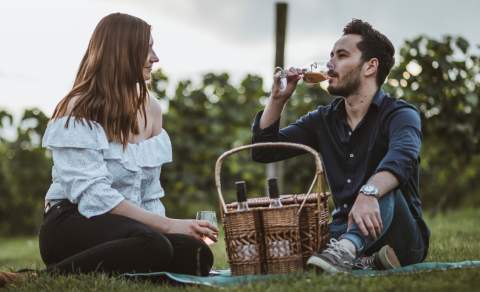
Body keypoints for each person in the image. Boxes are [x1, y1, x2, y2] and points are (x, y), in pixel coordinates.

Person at [38, 13, 218, 276]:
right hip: (72, 221)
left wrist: (170, 230)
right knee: (154, 245)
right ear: (122, 53)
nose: (155, 58)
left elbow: (149, 195)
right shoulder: (78, 108)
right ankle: (40, 277)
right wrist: (167, 226)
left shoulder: (152, 110)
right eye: (147, 49)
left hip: (127, 228)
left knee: (196, 253)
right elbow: (93, 195)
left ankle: (134, 264)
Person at [251, 19, 430, 273]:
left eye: (341, 55)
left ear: (370, 66)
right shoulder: (323, 119)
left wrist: (369, 192)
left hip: (402, 238)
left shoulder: (401, 114)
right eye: (330, 56)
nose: (330, 64)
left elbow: (403, 158)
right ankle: (365, 260)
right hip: (341, 229)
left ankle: (348, 250)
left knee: (380, 185)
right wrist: (277, 100)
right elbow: (263, 151)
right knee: (295, 245)